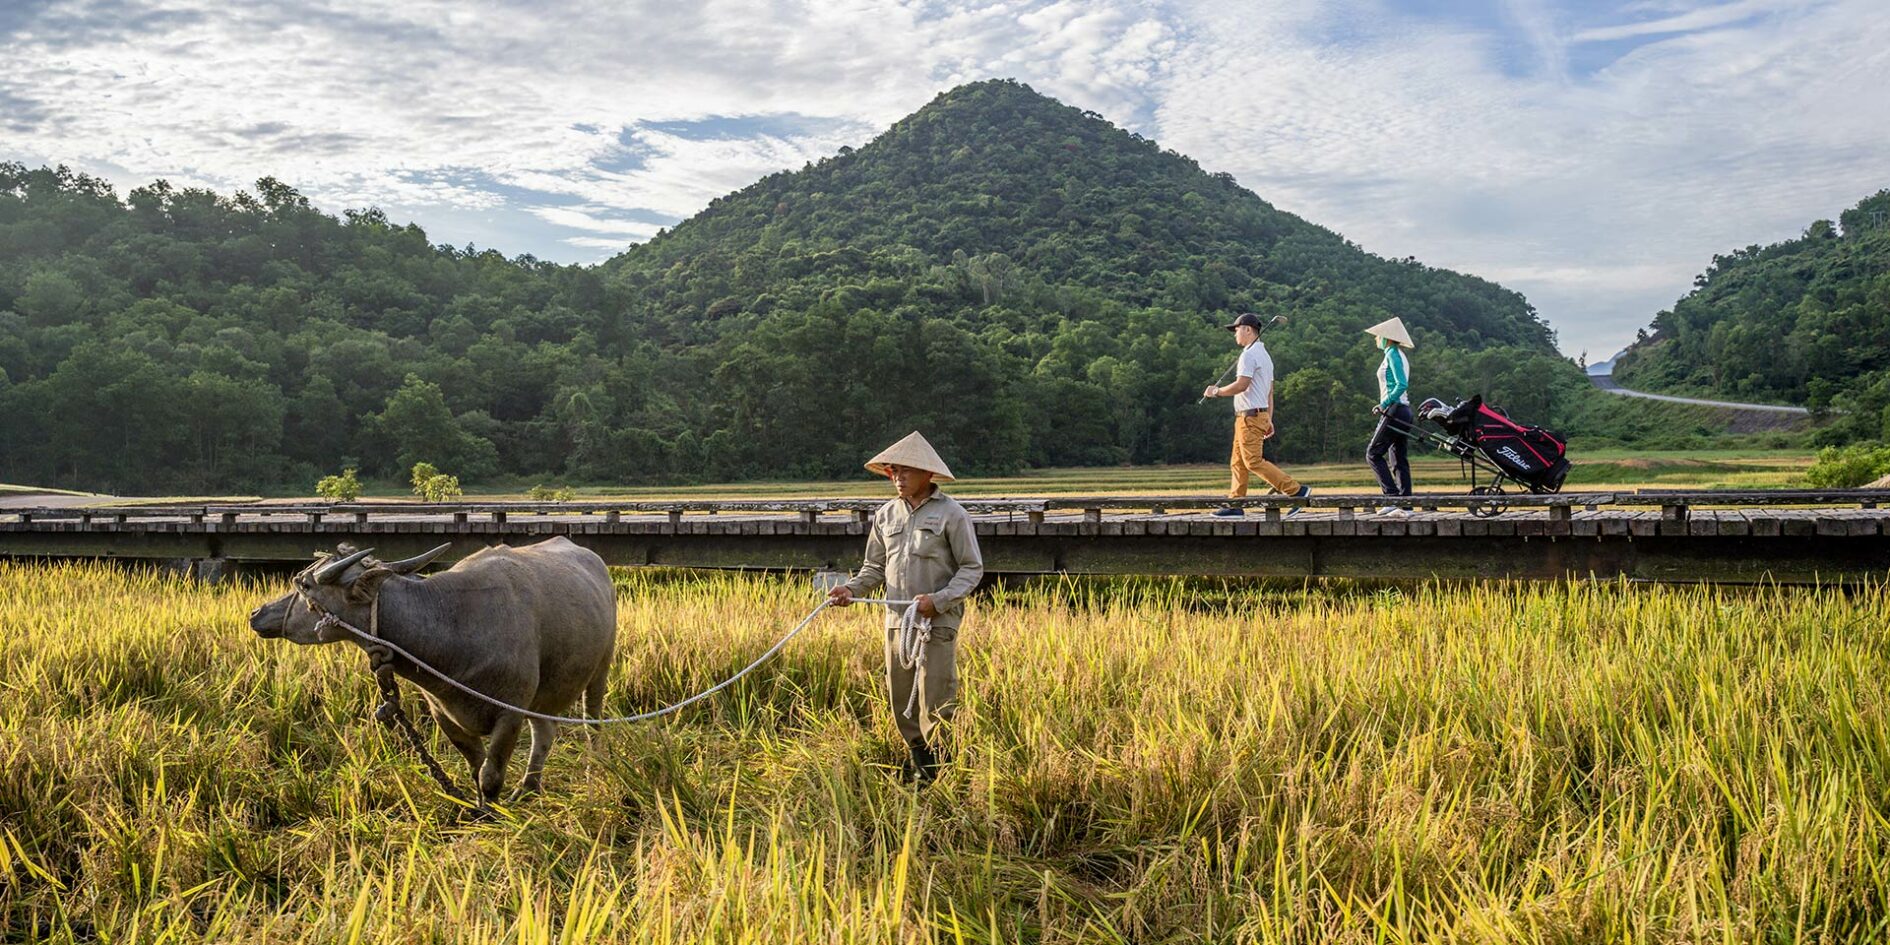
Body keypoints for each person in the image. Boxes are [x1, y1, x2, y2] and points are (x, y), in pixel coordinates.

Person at [828, 431, 984, 783]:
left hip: (936, 621)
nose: (897, 478)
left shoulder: (952, 514)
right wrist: (850, 589)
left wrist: (938, 600)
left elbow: (972, 569)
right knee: (901, 697)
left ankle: (944, 770)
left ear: (927, 474)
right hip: (898, 621)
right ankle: (919, 764)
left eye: (905, 471)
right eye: (893, 471)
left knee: (935, 697)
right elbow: (874, 568)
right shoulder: (885, 515)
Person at [1203, 312, 1310, 516]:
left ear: (1248, 330)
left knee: (1252, 461)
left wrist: (1216, 392)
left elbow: (1242, 385)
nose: (1235, 335)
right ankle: (1236, 503)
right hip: (1253, 415)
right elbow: (1269, 391)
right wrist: (1269, 417)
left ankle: (1297, 491)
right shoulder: (1264, 355)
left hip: (1250, 417)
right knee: (1238, 461)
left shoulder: (1249, 355)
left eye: (1236, 330)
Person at [1364, 317, 1415, 515]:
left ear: (1387, 338)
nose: (1376, 339)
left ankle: (1391, 497)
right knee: (1398, 458)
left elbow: (1401, 384)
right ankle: (1405, 504)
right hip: (1404, 410)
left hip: (1395, 410)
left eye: (1378, 336)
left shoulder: (1392, 353)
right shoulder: (1397, 354)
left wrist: (1383, 404)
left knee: (1373, 454)